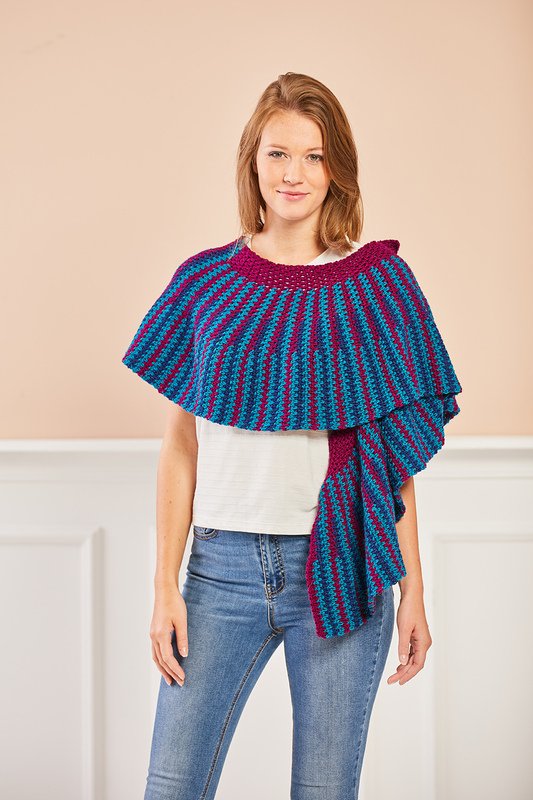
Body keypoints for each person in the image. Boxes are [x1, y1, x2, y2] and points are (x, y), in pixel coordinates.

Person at [121, 72, 462, 799]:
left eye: (313, 156)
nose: (293, 174)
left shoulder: (378, 287)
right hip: (219, 571)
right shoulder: (205, 283)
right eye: (277, 154)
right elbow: (181, 445)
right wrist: (163, 585)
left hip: (339, 567)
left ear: (336, 168)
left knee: (324, 791)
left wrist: (414, 591)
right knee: (171, 786)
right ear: (253, 161)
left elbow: (390, 464)